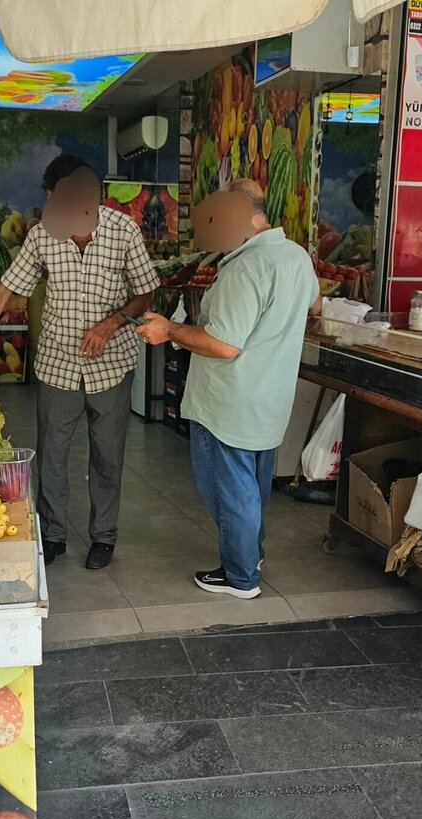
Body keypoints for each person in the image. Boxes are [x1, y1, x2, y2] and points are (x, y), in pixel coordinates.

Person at [0, 154, 159, 570]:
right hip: (58, 363)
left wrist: (111, 323)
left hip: (112, 364)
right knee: (52, 454)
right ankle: (54, 534)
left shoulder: (123, 230)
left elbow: (146, 291)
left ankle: (104, 536)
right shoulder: (42, 235)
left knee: (107, 455)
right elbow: (6, 287)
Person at [137, 178, 322, 599]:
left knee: (231, 493)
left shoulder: (246, 267)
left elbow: (223, 344)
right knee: (252, 489)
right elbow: (315, 305)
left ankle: (240, 576)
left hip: (229, 404)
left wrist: (169, 330)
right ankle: (251, 556)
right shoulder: (295, 256)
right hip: (270, 399)